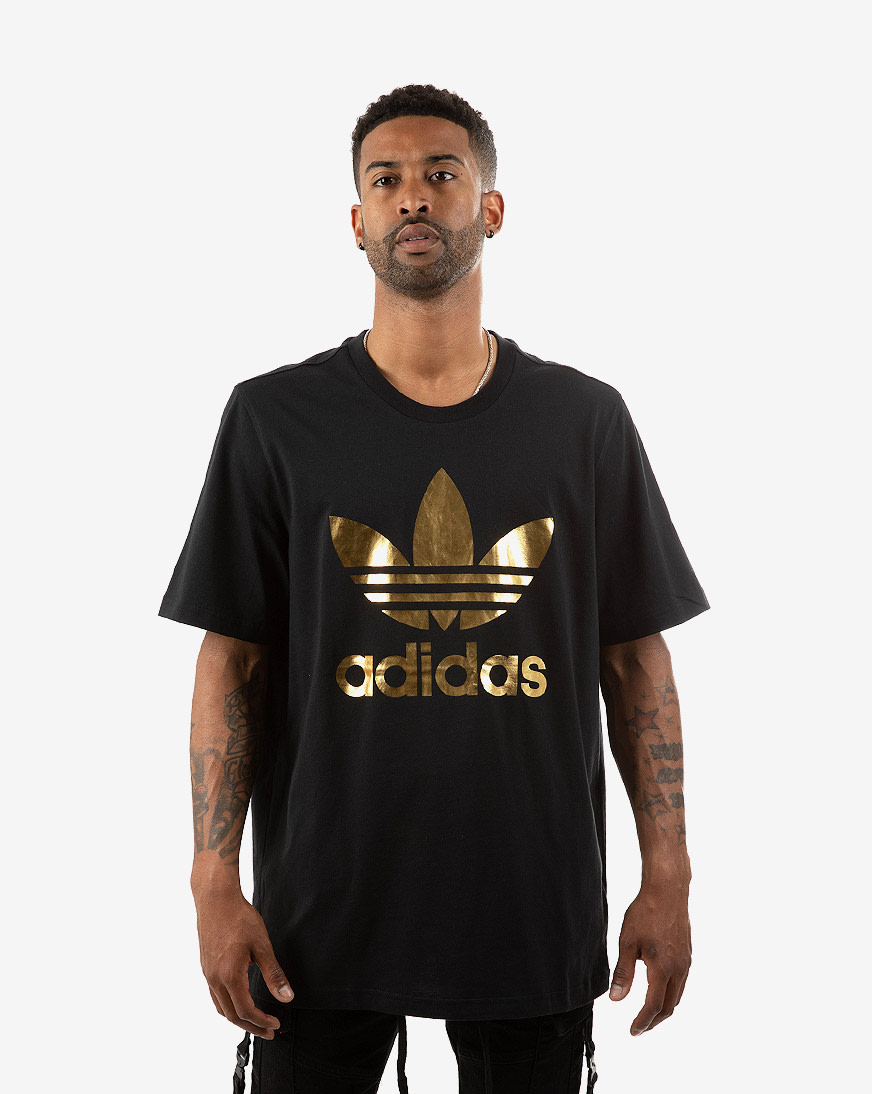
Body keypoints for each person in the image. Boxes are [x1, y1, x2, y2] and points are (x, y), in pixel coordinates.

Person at [158, 83, 710, 1094]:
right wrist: (210, 880)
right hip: (314, 917)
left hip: (530, 903)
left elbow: (636, 657)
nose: (412, 195)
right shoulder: (274, 419)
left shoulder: (582, 421)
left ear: (489, 209)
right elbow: (231, 658)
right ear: (356, 221)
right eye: (386, 180)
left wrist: (667, 870)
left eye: (440, 174)